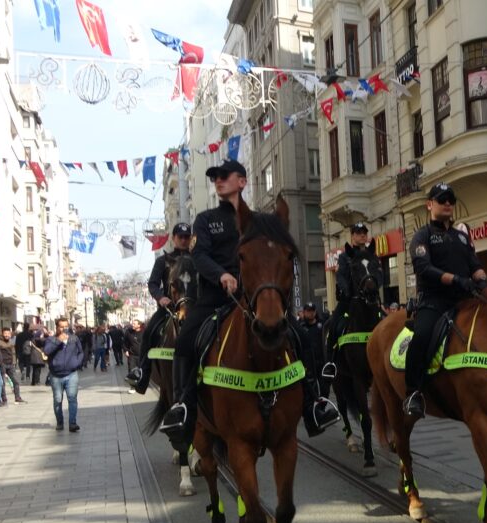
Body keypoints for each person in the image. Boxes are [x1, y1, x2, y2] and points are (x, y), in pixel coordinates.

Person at [162, 160, 338, 437]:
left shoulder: (259, 221)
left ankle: (313, 404)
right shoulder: (206, 220)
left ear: (242, 182)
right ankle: (183, 406)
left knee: (301, 338)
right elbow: (199, 255)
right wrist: (221, 275)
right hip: (214, 299)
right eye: (215, 177)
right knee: (185, 341)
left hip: (255, 299)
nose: (218, 180)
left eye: (224, 176)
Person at [403, 183, 487, 419]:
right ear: (430, 205)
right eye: (442, 200)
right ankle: (413, 392)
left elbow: (475, 266)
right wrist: (456, 280)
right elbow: (424, 268)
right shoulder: (422, 236)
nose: (448, 203)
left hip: (466, 300)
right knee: (421, 336)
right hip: (434, 301)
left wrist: (484, 282)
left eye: (451, 200)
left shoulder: (462, 237)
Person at [133, 222, 193, 393]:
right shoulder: (163, 261)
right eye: (180, 237)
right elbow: (153, 283)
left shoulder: (197, 259)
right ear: (173, 238)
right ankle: (143, 374)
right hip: (168, 308)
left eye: (186, 237)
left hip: (193, 307)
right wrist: (161, 297)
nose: (183, 240)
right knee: (149, 332)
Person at [323, 222, 382, 372]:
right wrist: (348, 292)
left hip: (370, 300)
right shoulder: (345, 256)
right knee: (333, 326)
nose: (362, 235)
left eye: (364, 233)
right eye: (358, 233)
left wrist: (375, 287)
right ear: (352, 236)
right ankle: (330, 363)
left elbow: (379, 274)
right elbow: (341, 276)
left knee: (386, 322)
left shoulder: (372, 255)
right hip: (349, 301)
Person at [44, 317, 85, 432]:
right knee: (58, 400)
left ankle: (72, 423)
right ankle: (60, 422)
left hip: (71, 374)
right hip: (56, 375)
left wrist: (77, 363)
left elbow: (81, 352)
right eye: (61, 327)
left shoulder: (74, 338)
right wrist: (58, 340)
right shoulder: (51, 339)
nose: (64, 329)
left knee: (72, 398)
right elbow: (46, 351)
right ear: (57, 327)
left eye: (66, 326)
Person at [0, 326, 25, 404]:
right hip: (2, 364)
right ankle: (4, 399)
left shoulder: (11, 342)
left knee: (16, 381)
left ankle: (17, 397)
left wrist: (14, 363)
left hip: (11, 365)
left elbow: (13, 353)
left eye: (8, 333)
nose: (7, 335)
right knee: (2, 383)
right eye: (5, 333)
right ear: (2, 334)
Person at [124, 319, 144, 393]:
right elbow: (125, 342)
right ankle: (132, 387)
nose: (132, 325)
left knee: (141, 371)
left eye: (134, 324)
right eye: (132, 323)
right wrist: (126, 350)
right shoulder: (128, 332)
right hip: (132, 355)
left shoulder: (144, 332)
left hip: (142, 355)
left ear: (139, 325)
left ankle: (140, 385)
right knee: (132, 370)